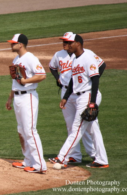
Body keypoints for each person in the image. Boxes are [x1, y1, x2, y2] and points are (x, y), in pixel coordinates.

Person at [48, 34, 109, 168]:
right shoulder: (75, 59)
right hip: (79, 95)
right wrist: (65, 97)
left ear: (78, 44)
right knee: (93, 129)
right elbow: (72, 81)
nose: (67, 46)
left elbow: (95, 79)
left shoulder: (88, 57)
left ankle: (62, 158)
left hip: (87, 96)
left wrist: (92, 102)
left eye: (70, 43)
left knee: (77, 128)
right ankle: (102, 160)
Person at [6, 33, 47, 173]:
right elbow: (15, 81)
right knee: (21, 130)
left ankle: (40, 165)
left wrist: (26, 81)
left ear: (20, 44)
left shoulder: (30, 58)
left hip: (28, 97)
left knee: (30, 131)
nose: (11, 45)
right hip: (18, 97)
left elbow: (42, 75)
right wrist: (10, 98)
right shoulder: (16, 59)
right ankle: (28, 160)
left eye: (13, 43)